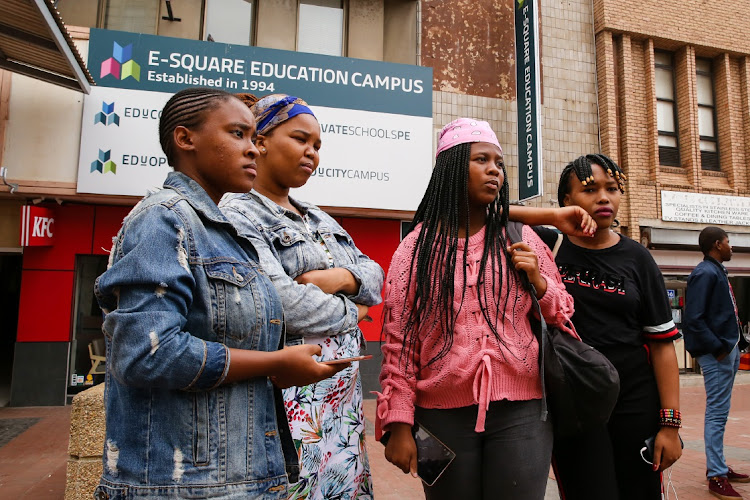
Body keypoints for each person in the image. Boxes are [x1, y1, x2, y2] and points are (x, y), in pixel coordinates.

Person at [94, 88, 345, 500]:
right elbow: (146, 354)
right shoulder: (164, 219)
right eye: (237, 134)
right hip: (181, 486)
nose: (252, 150)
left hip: (244, 477)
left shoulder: (225, 235)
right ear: (185, 138)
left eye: (253, 138)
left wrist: (277, 369)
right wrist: (273, 362)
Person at [376, 118, 577, 500]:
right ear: (452, 170)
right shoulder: (413, 251)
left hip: (524, 410)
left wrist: (539, 282)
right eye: (481, 160)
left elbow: (563, 313)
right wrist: (399, 423)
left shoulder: (520, 237)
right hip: (439, 416)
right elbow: (398, 345)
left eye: (499, 164)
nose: (494, 171)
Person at [221, 94, 384, 500]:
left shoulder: (317, 216)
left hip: (341, 402)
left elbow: (376, 275)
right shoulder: (238, 214)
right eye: (300, 139)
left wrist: (334, 278)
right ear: (259, 140)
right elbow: (281, 302)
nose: (311, 152)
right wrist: (357, 309)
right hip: (289, 399)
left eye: (317, 146)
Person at [532, 154, 683, 499]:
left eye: (612, 189)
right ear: (567, 200)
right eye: (589, 190)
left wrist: (670, 425)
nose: (604, 198)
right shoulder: (548, 247)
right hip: (574, 402)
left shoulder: (638, 258)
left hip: (634, 401)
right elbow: (489, 215)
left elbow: (662, 344)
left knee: (638, 492)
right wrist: (554, 218)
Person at [683, 226, 749, 500]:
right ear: (716, 245)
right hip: (717, 355)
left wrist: (738, 344)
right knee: (717, 413)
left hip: (727, 351)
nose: (731, 247)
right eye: (728, 242)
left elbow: (724, 314)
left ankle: (720, 465)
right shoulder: (704, 273)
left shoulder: (716, 271)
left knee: (720, 412)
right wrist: (719, 349)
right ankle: (716, 476)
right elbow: (693, 318)